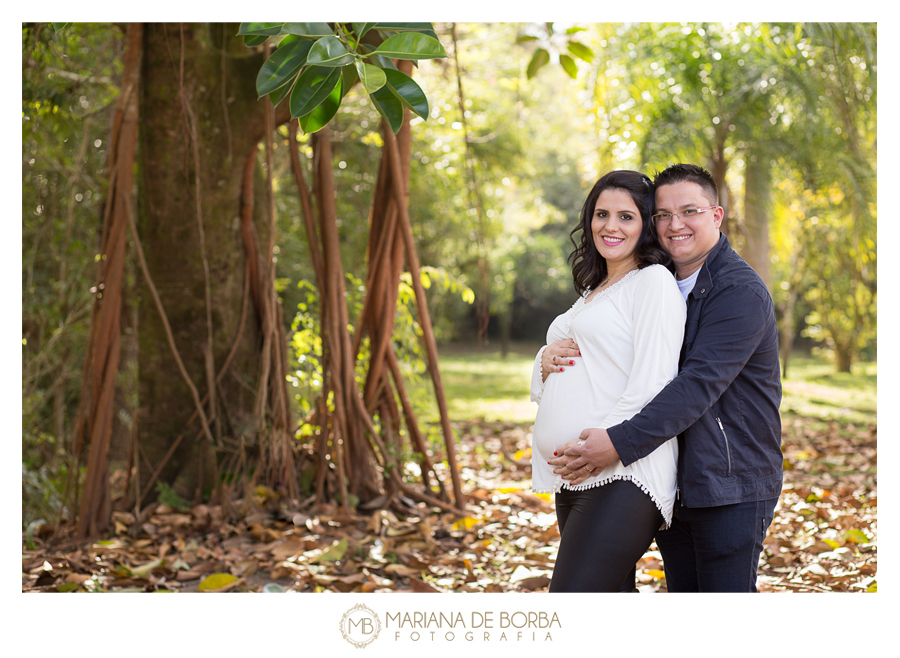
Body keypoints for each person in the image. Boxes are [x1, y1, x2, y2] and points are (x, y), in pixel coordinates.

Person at [550, 163, 782, 593]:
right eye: (663, 215)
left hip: (728, 485)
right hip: (674, 478)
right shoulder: (656, 281)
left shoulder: (739, 293)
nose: (675, 225)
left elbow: (697, 386)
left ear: (716, 216)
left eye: (689, 211)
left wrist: (616, 443)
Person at [530, 170, 686, 592]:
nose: (610, 226)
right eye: (601, 214)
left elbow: (653, 382)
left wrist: (601, 445)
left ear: (646, 224)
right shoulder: (594, 291)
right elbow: (569, 370)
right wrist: (541, 363)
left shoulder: (652, 283)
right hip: (578, 473)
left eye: (626, 217)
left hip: (624, 472)